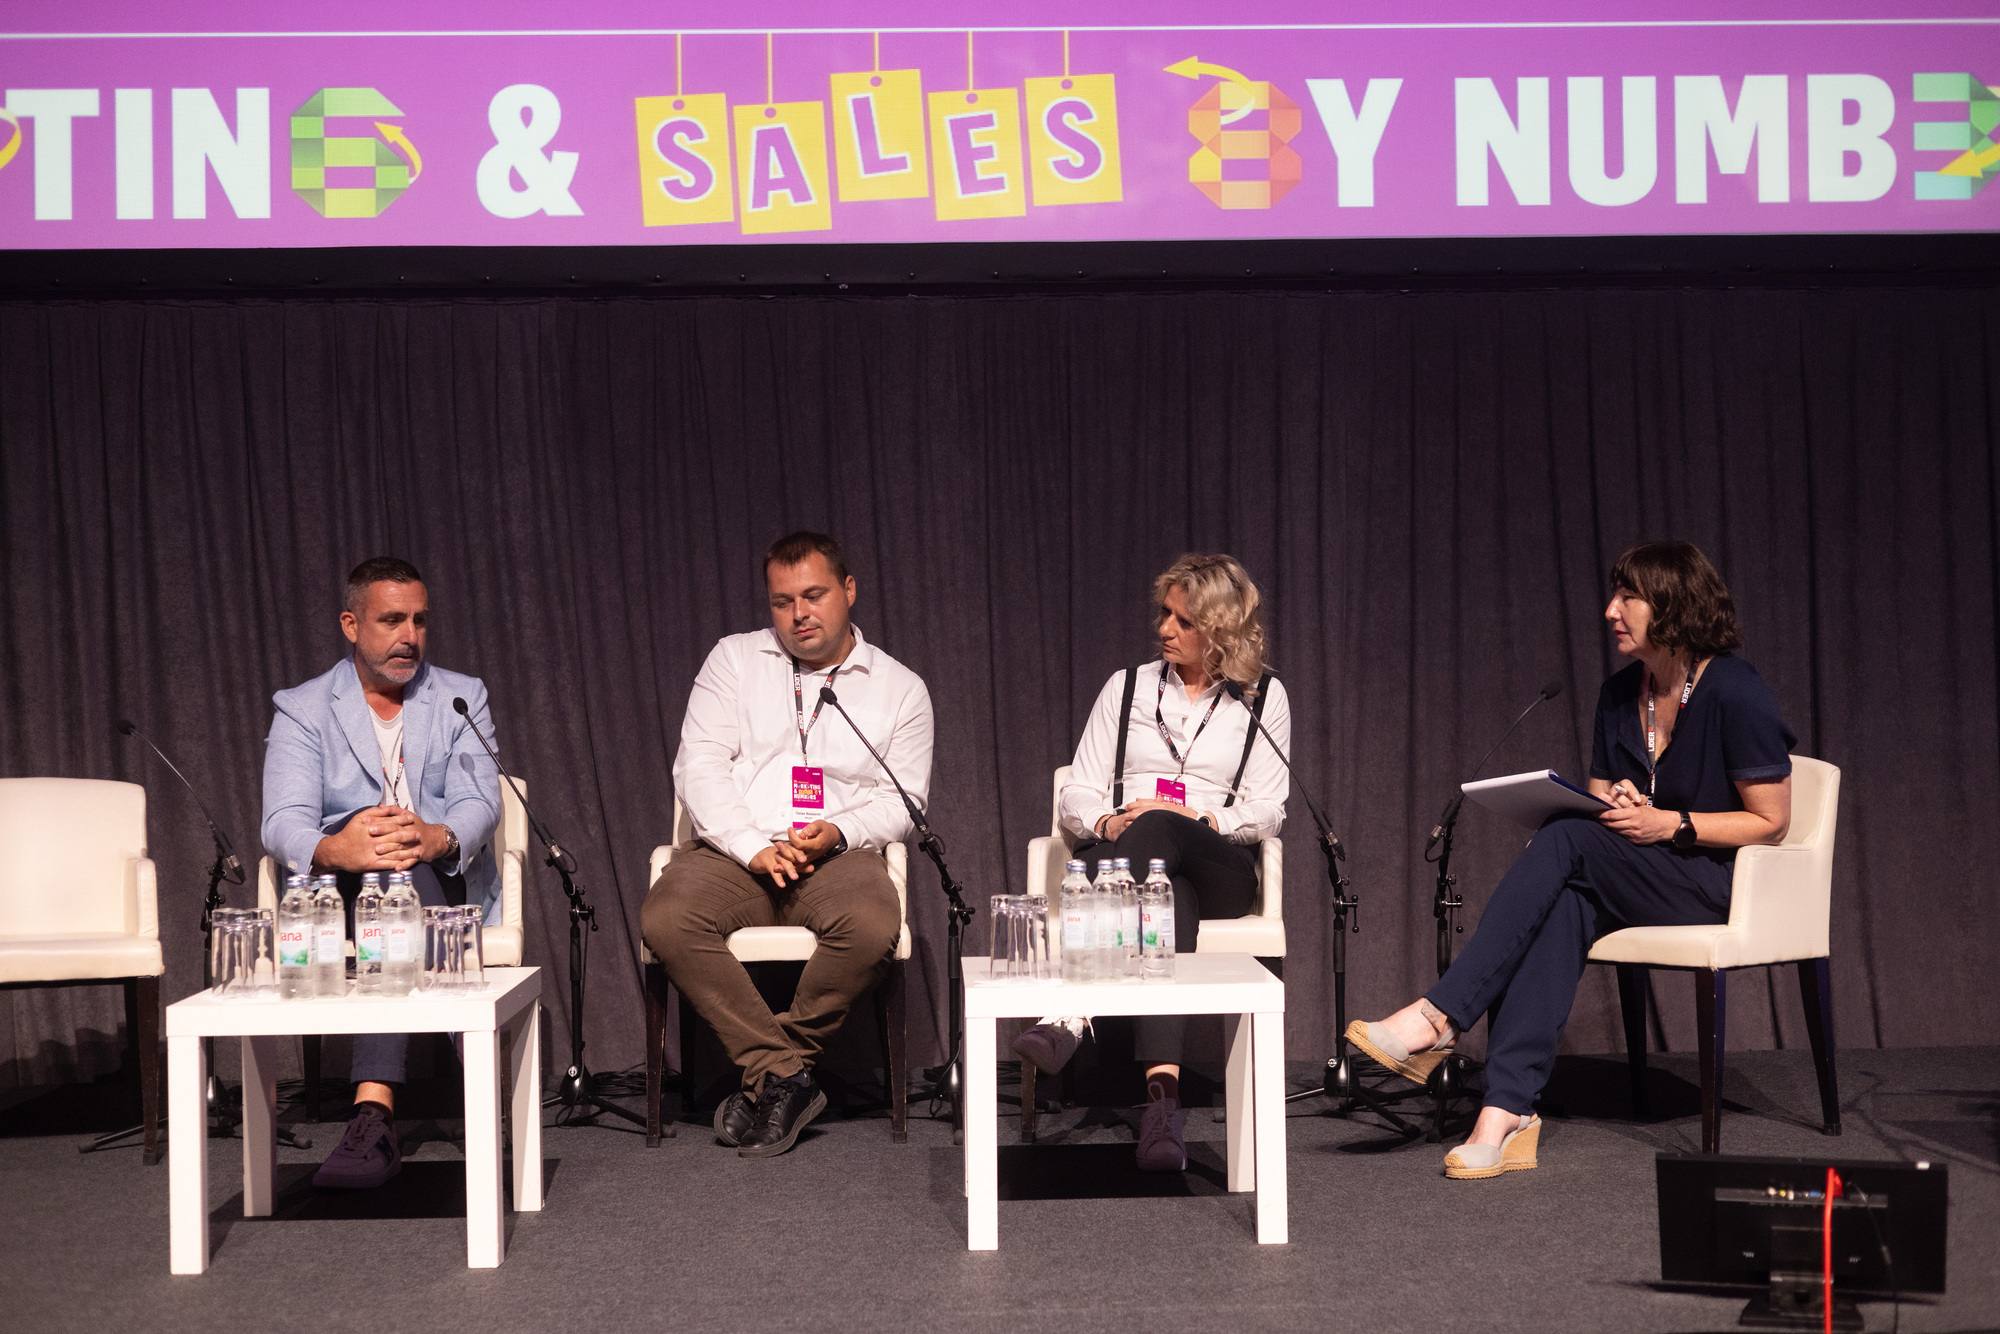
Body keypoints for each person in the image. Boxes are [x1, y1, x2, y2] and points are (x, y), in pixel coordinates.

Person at [1350, 540, 1795, 1179]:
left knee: (1564, 840)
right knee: (1566, 903)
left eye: (1628, 597)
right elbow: (1597, 801)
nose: (1611, 610)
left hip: (1714, 879)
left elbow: (1771, 821)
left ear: (1673, 605)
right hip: (1640, 871)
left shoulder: (1735, 690)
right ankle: (1503, 1115)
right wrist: (1621, 801)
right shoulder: (1620, 694)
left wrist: (1669, 822)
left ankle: (1439, 1015)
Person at [643, 532, 933, 1158]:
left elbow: (903, 800)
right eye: (782, 601)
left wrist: (838, 832)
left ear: (848, 590)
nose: (799, 614)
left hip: (837, 856)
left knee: (871, 923)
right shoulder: (734, 660)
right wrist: (751, 845)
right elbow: (699, 767)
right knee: (667, 916)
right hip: (737, 851)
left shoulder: (900, 688)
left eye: (813, 595)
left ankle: (773, 1076)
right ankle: (785, 1075)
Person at [1014, 553, 1290, 1172]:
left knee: (1163, 825)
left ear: (1220, 628)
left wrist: (1197, 819)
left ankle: (1073, 1011)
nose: (1164, 628)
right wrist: (1108, 822)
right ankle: (1162, 1111)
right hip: (1133, 863)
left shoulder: (1263, 698)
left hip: (1219, 864)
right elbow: (1078, 791)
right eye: (1164, 613)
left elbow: (1269, 809)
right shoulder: (1126, 688)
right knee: (1171, 903)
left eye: (1183, 620)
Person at [261, 557, 501, 1189]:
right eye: (392, 620)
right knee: (388, 874)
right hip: (339, 889)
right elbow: (282, 820)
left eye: (420, 620)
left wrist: (435, 836)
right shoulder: (303, 708)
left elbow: (481, 801)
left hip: (436, 875)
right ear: (351, 624)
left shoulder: (460, 697)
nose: (410, 636)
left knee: (402, 875)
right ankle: (477, 1076)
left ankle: (373, 1112)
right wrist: (337, 849)